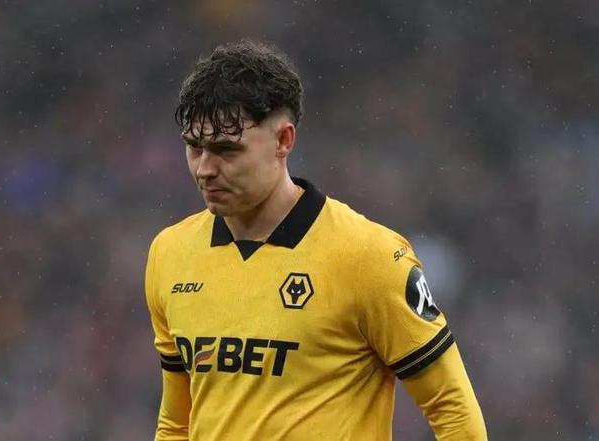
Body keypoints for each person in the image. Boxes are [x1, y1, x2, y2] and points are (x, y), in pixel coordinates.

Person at [145, 39, 487, 441]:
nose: (205, 168)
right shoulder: (169, 254)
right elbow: (177, 424)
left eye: (226, 150)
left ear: (283, 141)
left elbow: (454, 411)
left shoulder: (368, 256)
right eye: (194, 147)